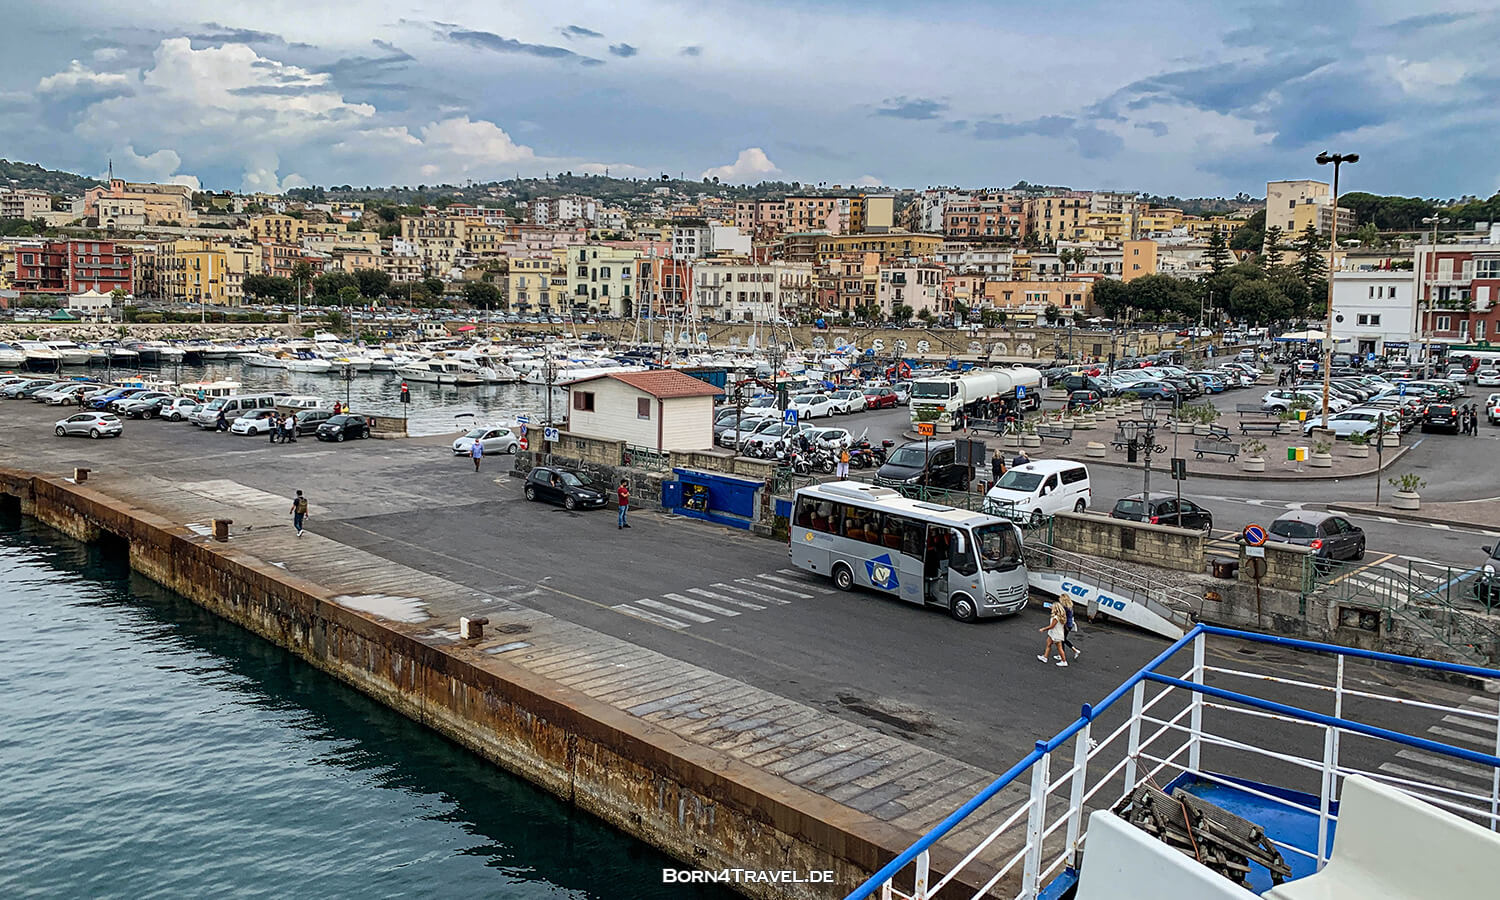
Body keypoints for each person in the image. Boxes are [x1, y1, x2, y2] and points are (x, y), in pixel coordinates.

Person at [1038, 601, 1069, 667]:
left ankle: (1064, 661)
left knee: (1059, 648)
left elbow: (1052, 626)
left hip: (1055, 634)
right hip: (1055, 633)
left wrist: (1043, 629)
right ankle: (1045, 657)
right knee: (1048, 644)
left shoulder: (1056, 618)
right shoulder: (1060, 616)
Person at [1058, 594, 1083, 659]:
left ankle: (1062, 655)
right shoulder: (1070, 606)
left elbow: (1061, 615)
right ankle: (1074, 650)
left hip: (1066, 625)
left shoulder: (1065, 607)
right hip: (1069, 625)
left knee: (1062, 639)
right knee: (1063, 639)